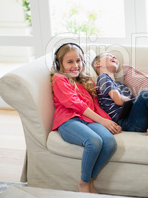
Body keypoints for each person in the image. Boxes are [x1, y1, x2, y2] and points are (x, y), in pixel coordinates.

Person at [50, 43, 120, 193]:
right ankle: (84, 182)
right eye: (70, 62)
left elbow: (96, 106)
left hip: (88, 120)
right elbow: (75, 104)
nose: (75, 65)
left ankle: (89, 180)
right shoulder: (59, 78)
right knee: (94, 141)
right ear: (59, 64)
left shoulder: (86, 82)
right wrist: (102, 121)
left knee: (109, 142)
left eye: (79, 61)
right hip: (68, 121)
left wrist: (110, 122)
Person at [92, 52, 148, 135]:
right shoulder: (103, 77)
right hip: (128, 123)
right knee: (145, 94)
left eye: (114, 56)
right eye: (109, 55)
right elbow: (118, 100)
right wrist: (137, 100)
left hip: (142, 119)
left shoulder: (121, 85)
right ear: (98, 64)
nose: (114, 57)